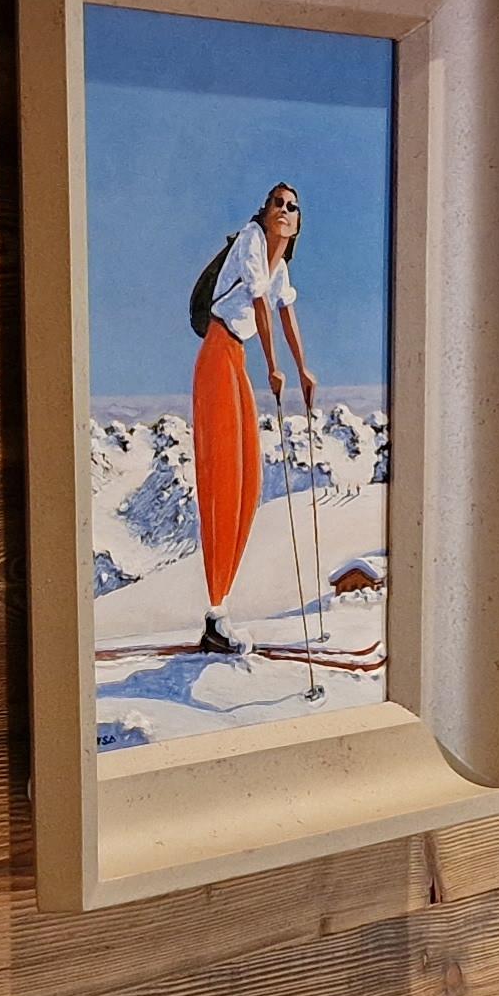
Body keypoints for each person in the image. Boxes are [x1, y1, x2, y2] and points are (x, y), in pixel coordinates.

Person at [189, 181, 318, 656]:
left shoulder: (278, 264)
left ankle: (220, 609)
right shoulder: (250, 240)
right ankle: (215, 613)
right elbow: (260, 303)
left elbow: (285, 311)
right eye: (277, 203)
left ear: (298, 223)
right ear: (264, 212)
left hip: (234, 358)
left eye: (292, 207)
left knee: (249, 482)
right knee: (225, 479)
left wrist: (302, 369)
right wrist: (274, 368)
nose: (284, 210)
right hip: (218, 354)